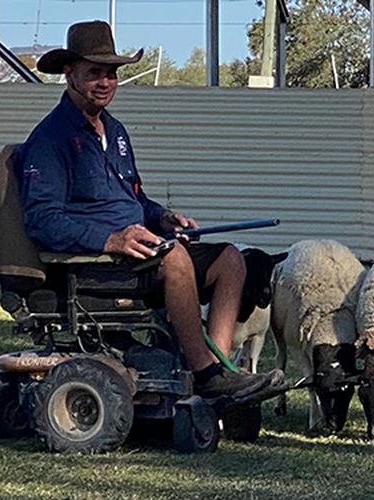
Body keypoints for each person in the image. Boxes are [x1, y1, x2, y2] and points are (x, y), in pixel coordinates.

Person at [19, 21, 283, 398]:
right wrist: (111, 239)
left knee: (230, 259)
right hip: (95, 266)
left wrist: (162, 216)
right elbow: (41, 220)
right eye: (94, 72)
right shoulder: (49, 139)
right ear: (69, 73)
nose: (105, 82)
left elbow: (134, 199)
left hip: (141, 254)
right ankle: (207, 376)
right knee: (175, 257)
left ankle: (220, 369)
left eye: (111, 73)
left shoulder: (117, 133)